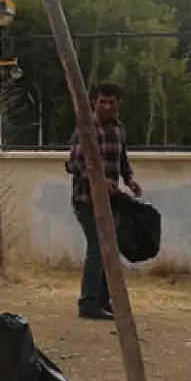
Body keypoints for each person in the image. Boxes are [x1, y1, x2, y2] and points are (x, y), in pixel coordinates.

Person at [64, 82, 142, 321]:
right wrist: (98, 180)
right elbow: (73, 164)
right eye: (102, 102)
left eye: (111, 102)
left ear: (119, 104)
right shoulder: (85, 129)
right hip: (86, 199)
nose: (107, 106)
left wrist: (129, 181)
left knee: (110, 248)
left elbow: (123, 161)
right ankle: (88, 302)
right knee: (98, 247)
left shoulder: (119, 129)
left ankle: (104, 301)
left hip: (111, 201)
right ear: (94, 104)